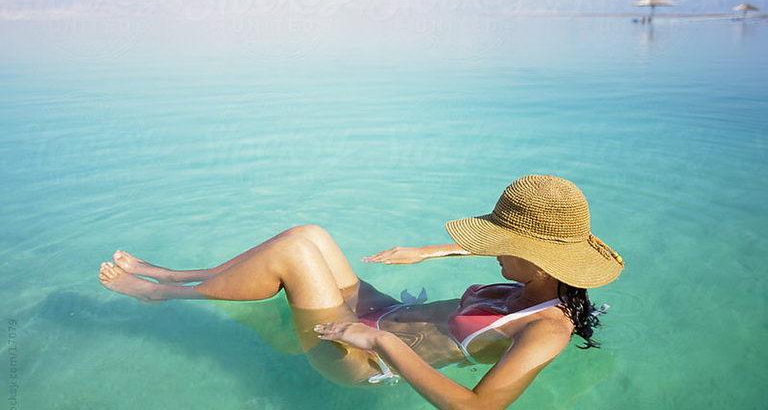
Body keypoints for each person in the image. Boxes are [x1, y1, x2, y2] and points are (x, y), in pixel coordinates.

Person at [99, 174, 624, 409]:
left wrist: (379, 344)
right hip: (385, 311)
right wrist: (428, 251)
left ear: (538, 255)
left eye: (499, 241)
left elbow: (476, 408)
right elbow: (503, 256)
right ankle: (177, 274)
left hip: (360, 358)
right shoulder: (540, 276)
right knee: (312, 235)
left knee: (296, 255)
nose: (489, 249)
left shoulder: (546, 330)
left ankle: (163, 294)